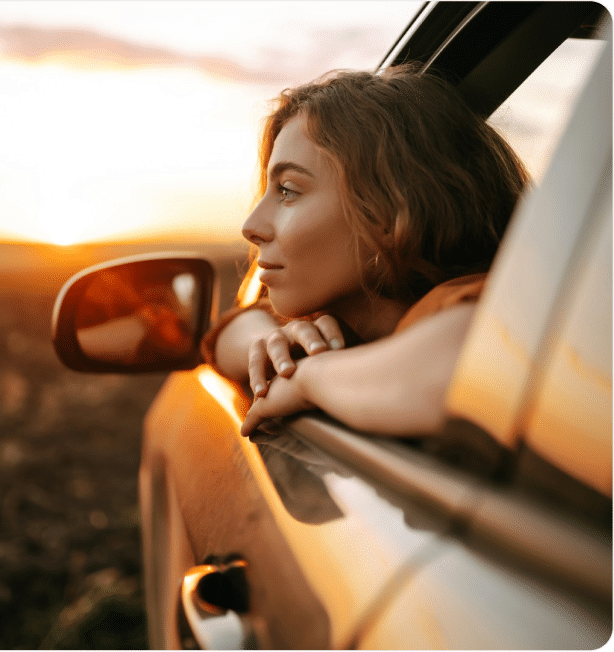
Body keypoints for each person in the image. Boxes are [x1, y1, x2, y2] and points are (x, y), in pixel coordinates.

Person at [200, 64, 529, 438]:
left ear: (388, 214)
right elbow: (228, 332)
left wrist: (308, 378)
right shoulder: (343, 323)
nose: (251, 227)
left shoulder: (464, 302)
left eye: (288, 191)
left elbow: (467, 370)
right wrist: (269, 346)